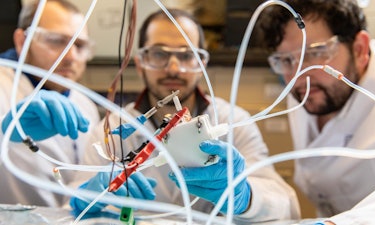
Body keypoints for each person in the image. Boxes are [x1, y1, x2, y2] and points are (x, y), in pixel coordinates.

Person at [69, 8, 300, 223]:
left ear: (202, 64)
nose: (173, 68)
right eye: (159, 54)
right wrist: (86, 196)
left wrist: (246, 196)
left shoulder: (234, 122)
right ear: (140, 64)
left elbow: (285, 205)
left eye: (187, 55)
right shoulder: (114, 129)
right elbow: (69, 205)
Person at [256, 0, 375, 218]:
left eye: (315, 53)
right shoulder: (310, 84)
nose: (298, 75)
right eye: (285, 60)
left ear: (359, 49)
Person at [0, 0, 99, 207]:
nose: (70, 56)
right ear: (21, 41)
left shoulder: (86, 104)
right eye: (56, 40)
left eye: (79, 45)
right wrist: (5, 132)